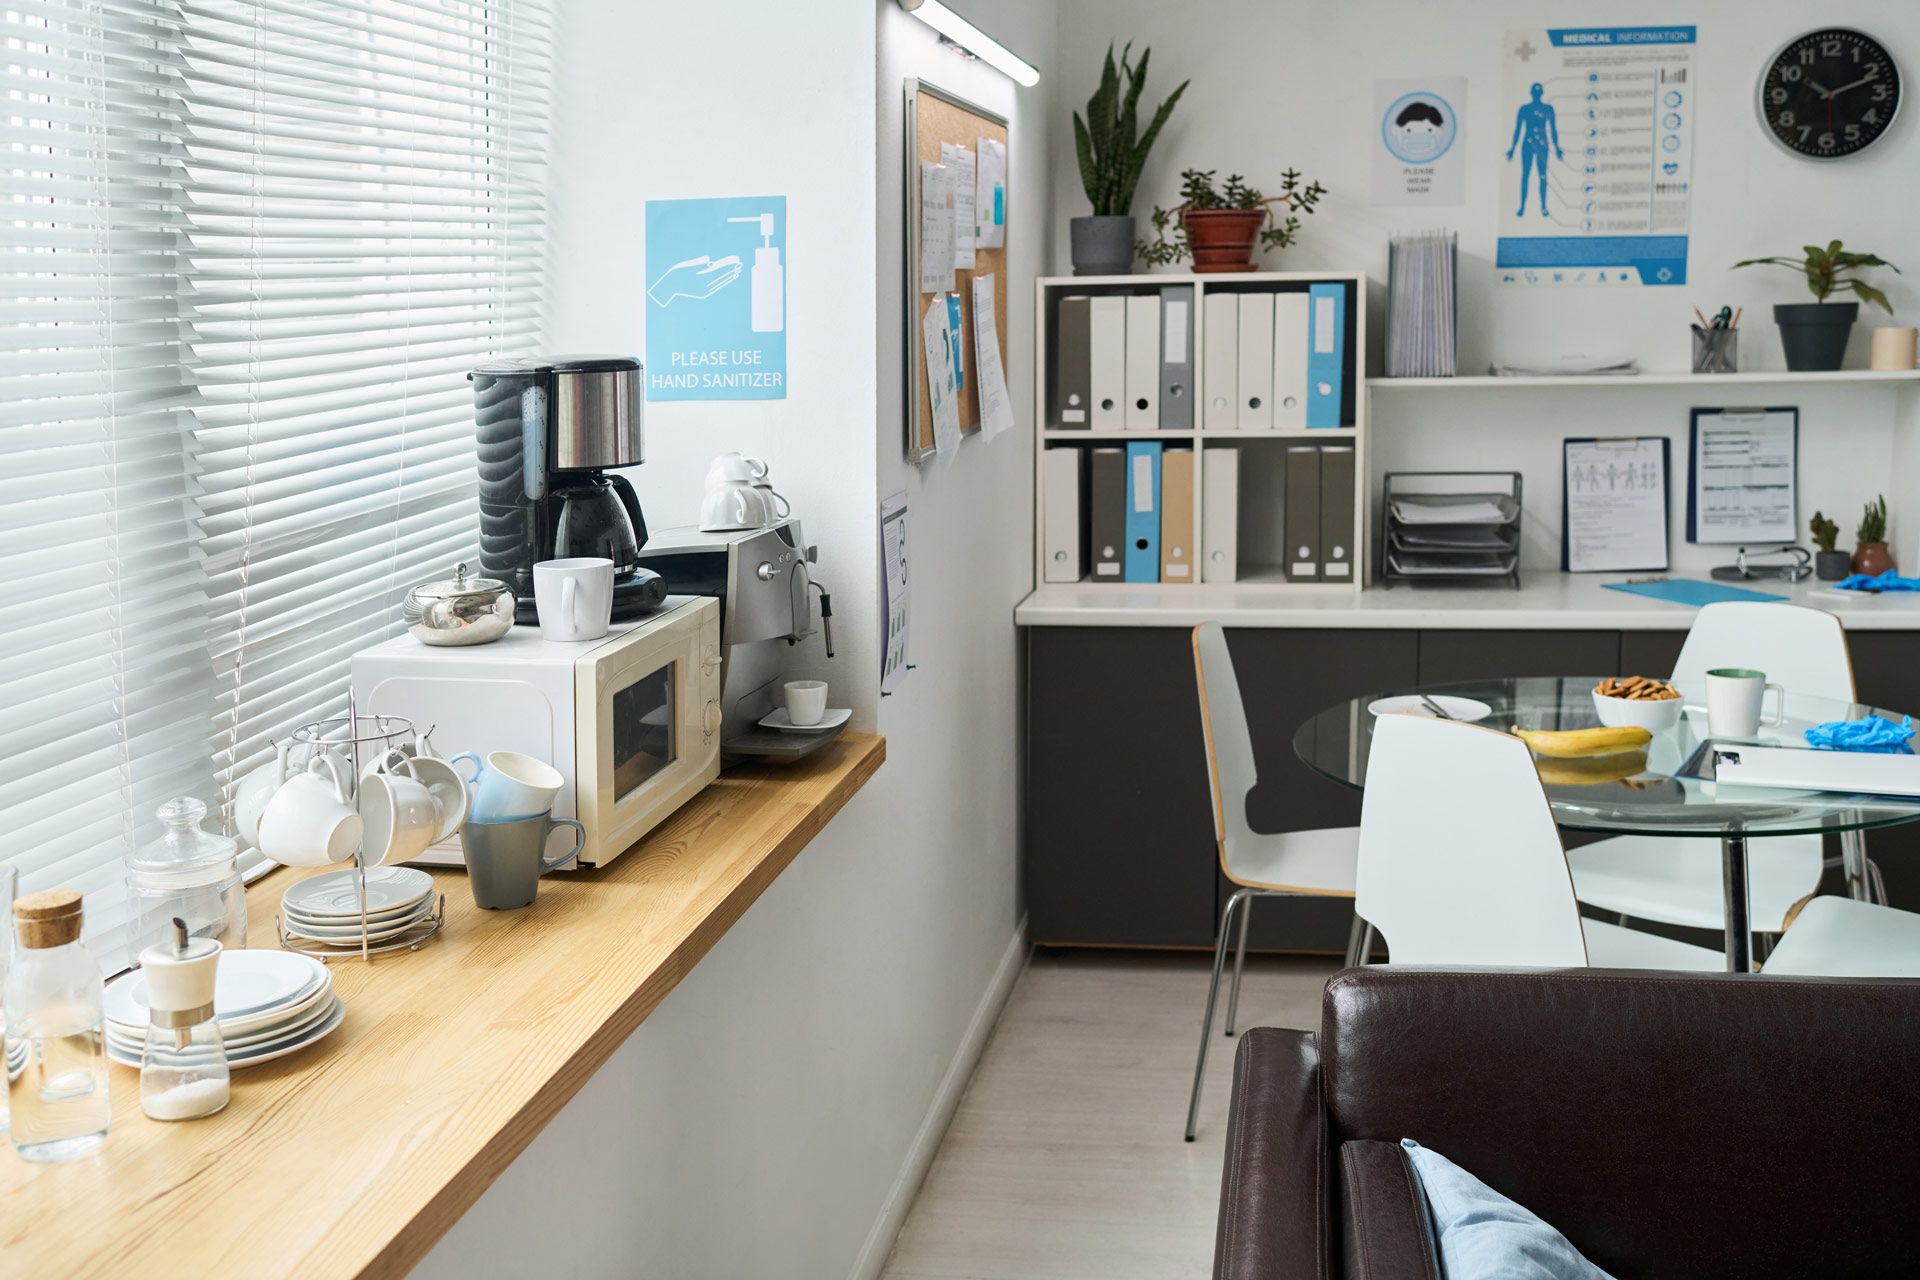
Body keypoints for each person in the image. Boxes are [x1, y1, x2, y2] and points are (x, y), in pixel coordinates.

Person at [1506, 82, 1562, 217]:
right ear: (1532, 93)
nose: (1536, 94)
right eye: (1535, 92)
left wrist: (1557, 147)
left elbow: (1553, 130)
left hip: (1542, 144)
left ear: (1540, 93)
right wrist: (1512, 147)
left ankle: (1543, 206)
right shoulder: (1524, 109)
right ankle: (1522, 206)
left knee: (1542, 175)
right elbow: (1517, 130)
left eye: (1538, 92)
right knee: (1526, 175)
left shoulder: (1548, 109)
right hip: (1528, 143)